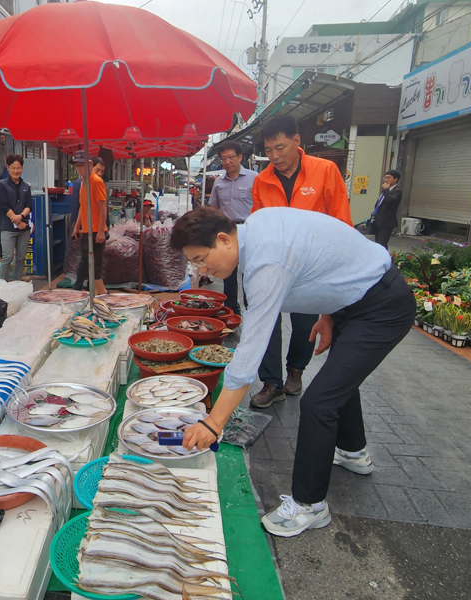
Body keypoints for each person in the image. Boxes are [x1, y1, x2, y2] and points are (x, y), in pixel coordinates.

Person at [172, 206, 414, 537]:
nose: (202, 269)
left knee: (319, 403)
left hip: (381, 308)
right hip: (353, 300)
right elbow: (324, 255)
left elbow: (249, 355)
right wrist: (329, 311)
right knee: (340, 380)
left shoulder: (266, 262)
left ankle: (310, 505)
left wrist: (214, 424)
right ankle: (353, 452)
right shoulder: (255, 228)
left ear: (224, 239)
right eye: (194, 263)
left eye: (201, 259)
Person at [250, 115, 353, 408]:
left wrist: (337, 266)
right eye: (269, 150)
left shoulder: (325, 171)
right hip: (275, 264)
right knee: (266, 319)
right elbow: (258, 224)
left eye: (280, 148)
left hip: (312, 266)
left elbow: (341, 220)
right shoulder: (262, 180)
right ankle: (271, 383)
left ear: (297, 141)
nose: (274, 156)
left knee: (305, 321)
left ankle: (296, 370)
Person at [208, 141, 257, 315]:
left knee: (249, 272)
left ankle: (252, 309)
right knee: (228, 272)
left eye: (231, 157)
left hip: (250, 230)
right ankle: (231, 310)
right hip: (227, 231)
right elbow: (214, 208)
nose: (227, 162)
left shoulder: (254, 178)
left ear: (240, 157)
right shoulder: (219, 182)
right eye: (224, 158)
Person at [72, 151, 108, 294]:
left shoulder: (96, 181)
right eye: (77, 165)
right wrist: (77, 227)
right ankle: (97, 295)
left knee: (95, 266)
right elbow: (83, 206)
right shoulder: (83, 182)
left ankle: (102, 294)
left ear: (90, 164)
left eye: (81, 165)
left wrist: (101, 231)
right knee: (89, 264)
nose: (79, 168)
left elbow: (103, 207)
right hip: (87, 230)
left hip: (96, 230)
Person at [0, 154, 33, 281]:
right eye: (13, 168)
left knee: (21, 258)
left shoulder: (26, 186)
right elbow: (4, 206)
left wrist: (21, 217)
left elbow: (29, 206)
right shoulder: (2, 185)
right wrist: (18, 222)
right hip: (8, 228)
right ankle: (2, 284)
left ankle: (17, 284)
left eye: (18, 168)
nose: (16, 171)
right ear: (8, 168)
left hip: (23, 229)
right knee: (8, 257)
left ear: (22, 168)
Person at [370, 170, 402, 250]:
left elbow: (390, 200)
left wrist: (386, 190)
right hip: (378, 220)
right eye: (385, 177)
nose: (386, 180)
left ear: (395, 179)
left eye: (389, 178)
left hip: (387, 222)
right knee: (377, 243)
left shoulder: (397, 191)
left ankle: (383, 257)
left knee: (382, 243)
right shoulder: (386, 191)